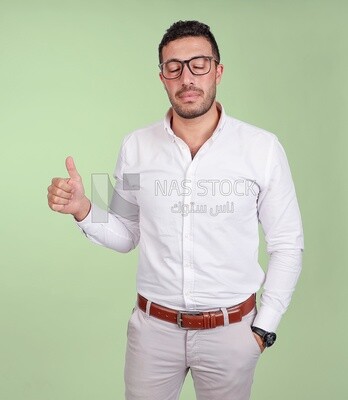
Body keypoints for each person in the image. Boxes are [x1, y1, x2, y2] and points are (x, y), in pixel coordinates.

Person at [47, 20, 304, 400]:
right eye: (174, 67)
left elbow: (287, 244)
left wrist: (263, 328)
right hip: (153, 333)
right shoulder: (135, 146)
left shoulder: (262, 148)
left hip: (232, 334)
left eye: (199, 64)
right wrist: (85, 209)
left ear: (218, 70)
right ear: (162, 77)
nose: (187, 77)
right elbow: (126, 234)